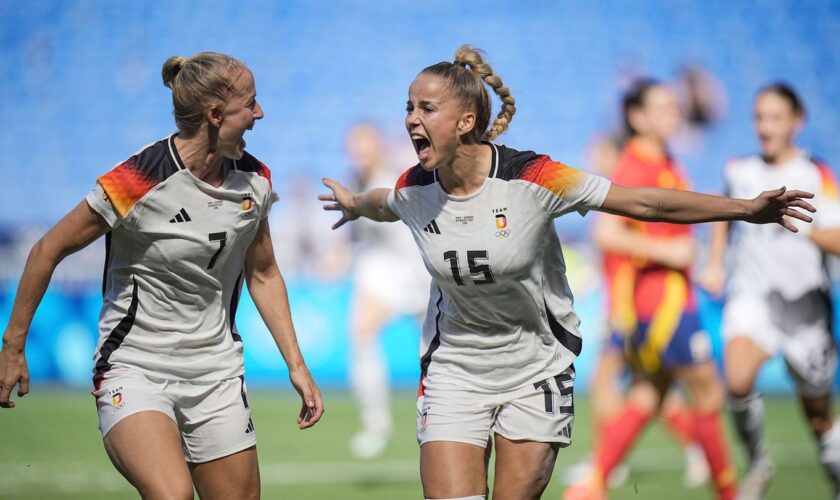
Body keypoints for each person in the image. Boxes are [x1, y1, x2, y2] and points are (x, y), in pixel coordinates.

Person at [318, 45, 814, 500]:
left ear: (467, 120)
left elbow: (642, 201)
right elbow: (382, 202)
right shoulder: (414, 187)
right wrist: (353, 203)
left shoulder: (535, 177)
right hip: (454, 373)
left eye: (426, 109)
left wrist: (745, 209)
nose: (410, 120)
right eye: (409, 107)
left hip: (536, 371)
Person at [0, 51, 324, 499]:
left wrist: (297, 366)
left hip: (216, 375)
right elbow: (46, 250)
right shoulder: (138, 178)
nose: (259, 113)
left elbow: (264, 274)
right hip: (135, 368)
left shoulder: (256, 182)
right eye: (250, 103)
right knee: (172, 494)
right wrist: (12, 346)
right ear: (214, 114)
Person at [566, 80, 715, 492]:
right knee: (656, 391)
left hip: (641, 304)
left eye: (597, 152)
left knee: (643, 387)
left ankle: (604, 468)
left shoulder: (633, 175)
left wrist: (675, 256)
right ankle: (690, 454)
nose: (591, 158)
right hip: (636, 299)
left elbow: (609, 236)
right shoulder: (649, 169)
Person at [700, 82, 840, 499]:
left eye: (775, 117)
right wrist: (713, 264)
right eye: (760, 117)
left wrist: (810, 232)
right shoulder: (739, 170)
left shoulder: (816, 174)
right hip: (752, 298)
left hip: (804, 310)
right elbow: (724, 215)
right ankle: (759, 461)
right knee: (738, 381)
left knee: (818, 420)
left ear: (798, 121)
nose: (765, 127)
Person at [344, 122, 428, 459]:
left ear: (379, 146)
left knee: (432, 351)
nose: (359, 154)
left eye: (365, 145)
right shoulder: (354, 181)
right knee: (361, 332)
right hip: (381, 270)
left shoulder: (397, 176)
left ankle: (437, 413)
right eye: (354, 147)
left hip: (418, 269)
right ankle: (376, 423)